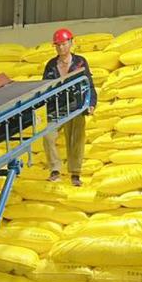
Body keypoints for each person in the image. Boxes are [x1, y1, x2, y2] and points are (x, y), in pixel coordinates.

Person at [41, 28, 97, 187]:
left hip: (76, 106)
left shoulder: (80, 62)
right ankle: (55, 170)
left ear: (71, 43)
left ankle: (75, 173)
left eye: (64, 44)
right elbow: (44, 88)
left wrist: (91, 103)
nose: (61, 48)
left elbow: (89, 85)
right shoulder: (51, 65)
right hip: (56, 107)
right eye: (57, 45)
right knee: (48, 135)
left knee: (76, 138)